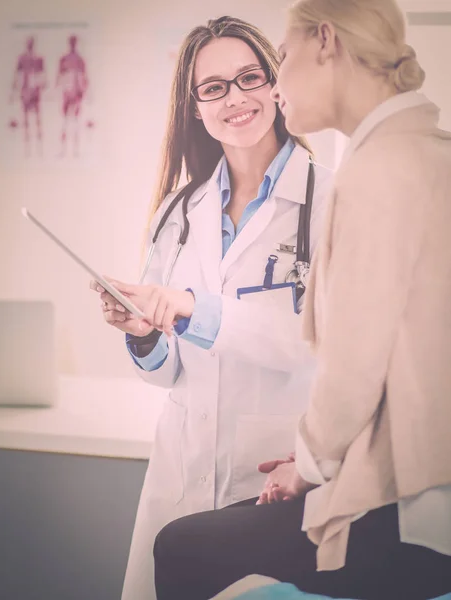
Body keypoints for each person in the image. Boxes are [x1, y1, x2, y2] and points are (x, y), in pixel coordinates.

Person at [152, 1, 451, 599]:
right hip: (391, 469)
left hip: (415, 495)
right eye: (213, 87)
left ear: (325, 43)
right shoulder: (428, 149)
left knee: (182, 549)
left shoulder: (368, 173)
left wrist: (309, 466)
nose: (273, 86)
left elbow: (357, 359)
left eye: (274, 63)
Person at [90, 15, 332, 600]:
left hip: (273, 479)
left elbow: (318, 340)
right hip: (181, 469)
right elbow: (170, 368)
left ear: (276, 86)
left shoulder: (332, 202)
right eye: (214, 87)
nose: (236, 98)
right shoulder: (178, 211)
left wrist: (189, 308)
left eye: (249, 77)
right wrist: (145, 331)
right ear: (195, 106)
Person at [10, 36, 47, 157]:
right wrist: (13, 91)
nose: (30, 45)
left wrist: (43, 86)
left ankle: (40, 148)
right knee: (26, 120)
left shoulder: (39, 59)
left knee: (37, 120)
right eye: (29, 43)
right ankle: (27, 149)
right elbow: (17, 74)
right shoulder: (22, 58)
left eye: (31, 43)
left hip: (35, 91)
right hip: (26, 91)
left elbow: (43, 75)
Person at [56, 35, 89, 157]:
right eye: (72, 42)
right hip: (67, 94)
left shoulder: (80, 60)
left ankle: (76, 150)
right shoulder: (64, 60)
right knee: (65, 122)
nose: (73, 44)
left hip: (76, 95)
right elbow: (59, 78)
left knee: (75, 122)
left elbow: (84, 78)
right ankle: (62, 150)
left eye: (74, 42)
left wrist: (83, 93)